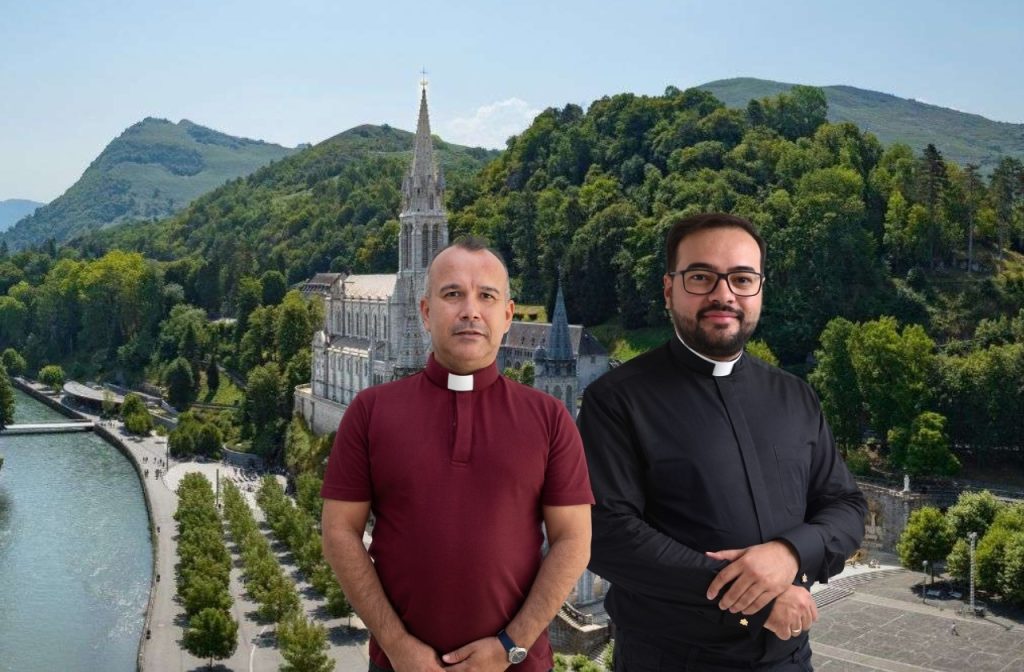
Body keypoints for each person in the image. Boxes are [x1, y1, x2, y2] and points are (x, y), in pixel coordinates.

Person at [578, 213, 867, 671]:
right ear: (668, 289)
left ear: (760, 290)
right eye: (701, 277)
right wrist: (759, 596)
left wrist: (790, 553)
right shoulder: (615, 400)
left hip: (790, 662)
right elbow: (609, 535)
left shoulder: (796, 396)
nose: (724, 294)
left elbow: (846, 506)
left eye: (742, 279)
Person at [322, 237, 594, 672]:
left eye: (486, 296)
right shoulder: (370, 411)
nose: (470, 310)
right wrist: (397, 645)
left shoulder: (550, 418)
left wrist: (510, 646)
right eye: (453, 294)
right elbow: (339, 533)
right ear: (426, 311)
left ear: (507, 315)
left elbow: (574, 541)